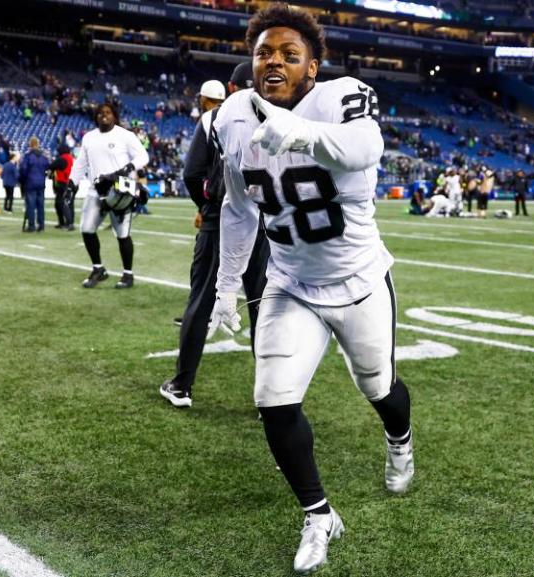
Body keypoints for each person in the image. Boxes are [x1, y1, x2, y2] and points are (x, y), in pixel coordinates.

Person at [208, 5, 413, 572]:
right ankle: (319, 514)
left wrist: (294, 130)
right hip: (291, 283)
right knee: (274, 401)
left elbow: (365, 149)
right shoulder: (233, 119)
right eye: (263, 53)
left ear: (312, 69)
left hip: (360, 280)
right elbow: (238, 207)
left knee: (380, 389)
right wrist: (227, 285)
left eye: (288, 55)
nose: (273, 61)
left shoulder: (341, 97)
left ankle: (400, 439)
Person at [159, 75, 270, 409]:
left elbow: (192, 174)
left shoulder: (212, 119)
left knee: (202, 300)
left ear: (231, 88)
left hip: (221, 221)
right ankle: (272, 398)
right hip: (263, 223)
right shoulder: (280, 114)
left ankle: (182, 385)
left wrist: (205, 206)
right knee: (262, 307)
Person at [67, 103, 149, 289]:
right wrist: (71, 185)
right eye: (100, 113)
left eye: (108, 113)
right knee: (87, 229)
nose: (104, 116)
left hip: (120, 191)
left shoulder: (125, 135)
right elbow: (80, 164)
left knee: (122, 234)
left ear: (114, 116)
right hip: (96, 191)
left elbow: (143, 157)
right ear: (95, 117)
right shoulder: (89, 137)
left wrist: (125, 169)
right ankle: (98, 268)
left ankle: (128, 274)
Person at [19, 136, 49, 232]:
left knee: (31, 205)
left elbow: (23, 170)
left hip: (30, 183)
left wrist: (22, 180)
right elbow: (47, 167)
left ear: (30, 144)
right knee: (41, 205)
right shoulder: (43, 157)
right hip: (41, 183)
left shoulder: (28, 156)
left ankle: (31, 226)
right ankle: (41, 225)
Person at [51, 144, 75, 230]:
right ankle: (69, 222)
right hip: (72, 183)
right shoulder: (71, 158)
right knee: (69, 204)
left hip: (63, 183)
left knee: (61, 203)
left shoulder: (62, 158)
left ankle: (67, 223)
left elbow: (51, 166)